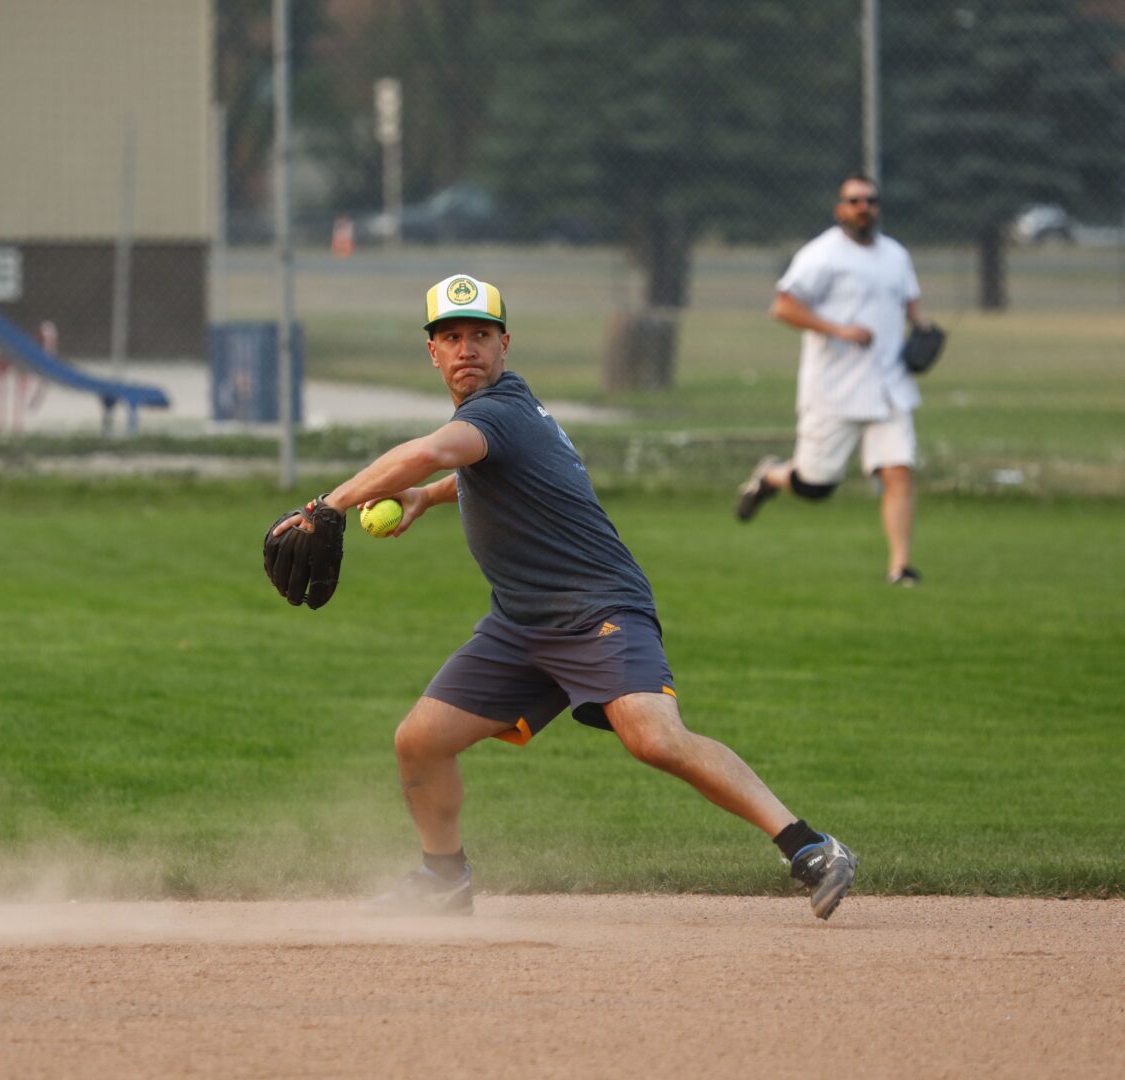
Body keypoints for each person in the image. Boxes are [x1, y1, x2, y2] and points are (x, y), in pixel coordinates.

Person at [270, 273, 857, 919]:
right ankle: (443, 878)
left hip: (597, 609)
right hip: (519, 625)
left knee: (653, 737)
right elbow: (476, 470)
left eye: (480, 335)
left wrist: (327, 505)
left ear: (504, 345)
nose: (466, 348)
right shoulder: (503, 419)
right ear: (432, 352)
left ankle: (811, 847)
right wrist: (423, 496)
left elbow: (435, 451)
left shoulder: (498, 412)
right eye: (451, 336)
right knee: (420, 740)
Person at [736, 173, 936, 586]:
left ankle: (900, 568)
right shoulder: (822, 254)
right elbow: (783, 307)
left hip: (889, 384)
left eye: (871, 200)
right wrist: (838, 330)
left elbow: (909, 301)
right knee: (815, 486)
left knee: (898, 470)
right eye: (854, 200)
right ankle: (770, 476)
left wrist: (923, 329)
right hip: (835, 388)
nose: (864, 207)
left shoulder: (895, 254)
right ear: (840, 209)